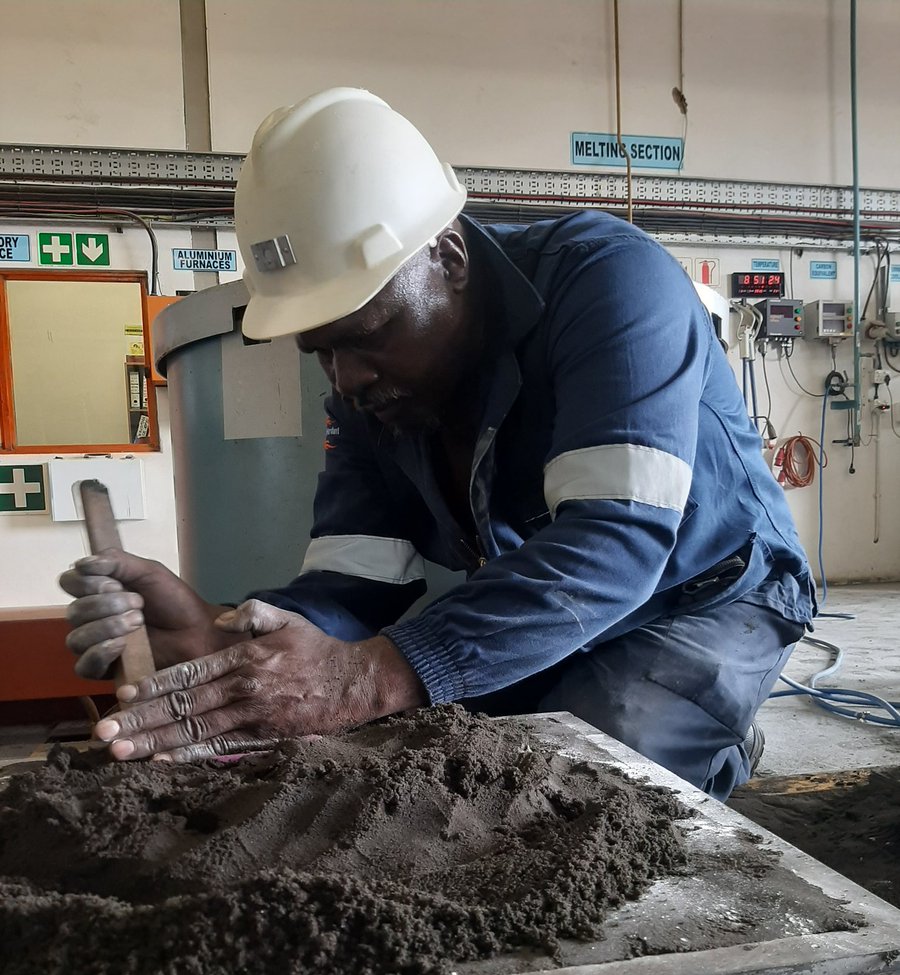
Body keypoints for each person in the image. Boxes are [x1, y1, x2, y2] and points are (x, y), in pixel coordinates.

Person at [60, 88, 814, 800]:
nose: (346, 378)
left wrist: (366, 678)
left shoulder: (608, 283)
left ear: (448, 260)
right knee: (437, 768)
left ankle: (713, 741)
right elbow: (355, 582)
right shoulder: (371, 392)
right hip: (559, 610)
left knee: (578, 777)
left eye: (366, 336)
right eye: (320, 351)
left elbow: (615, 537)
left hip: (709, 596)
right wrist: (221, 634)